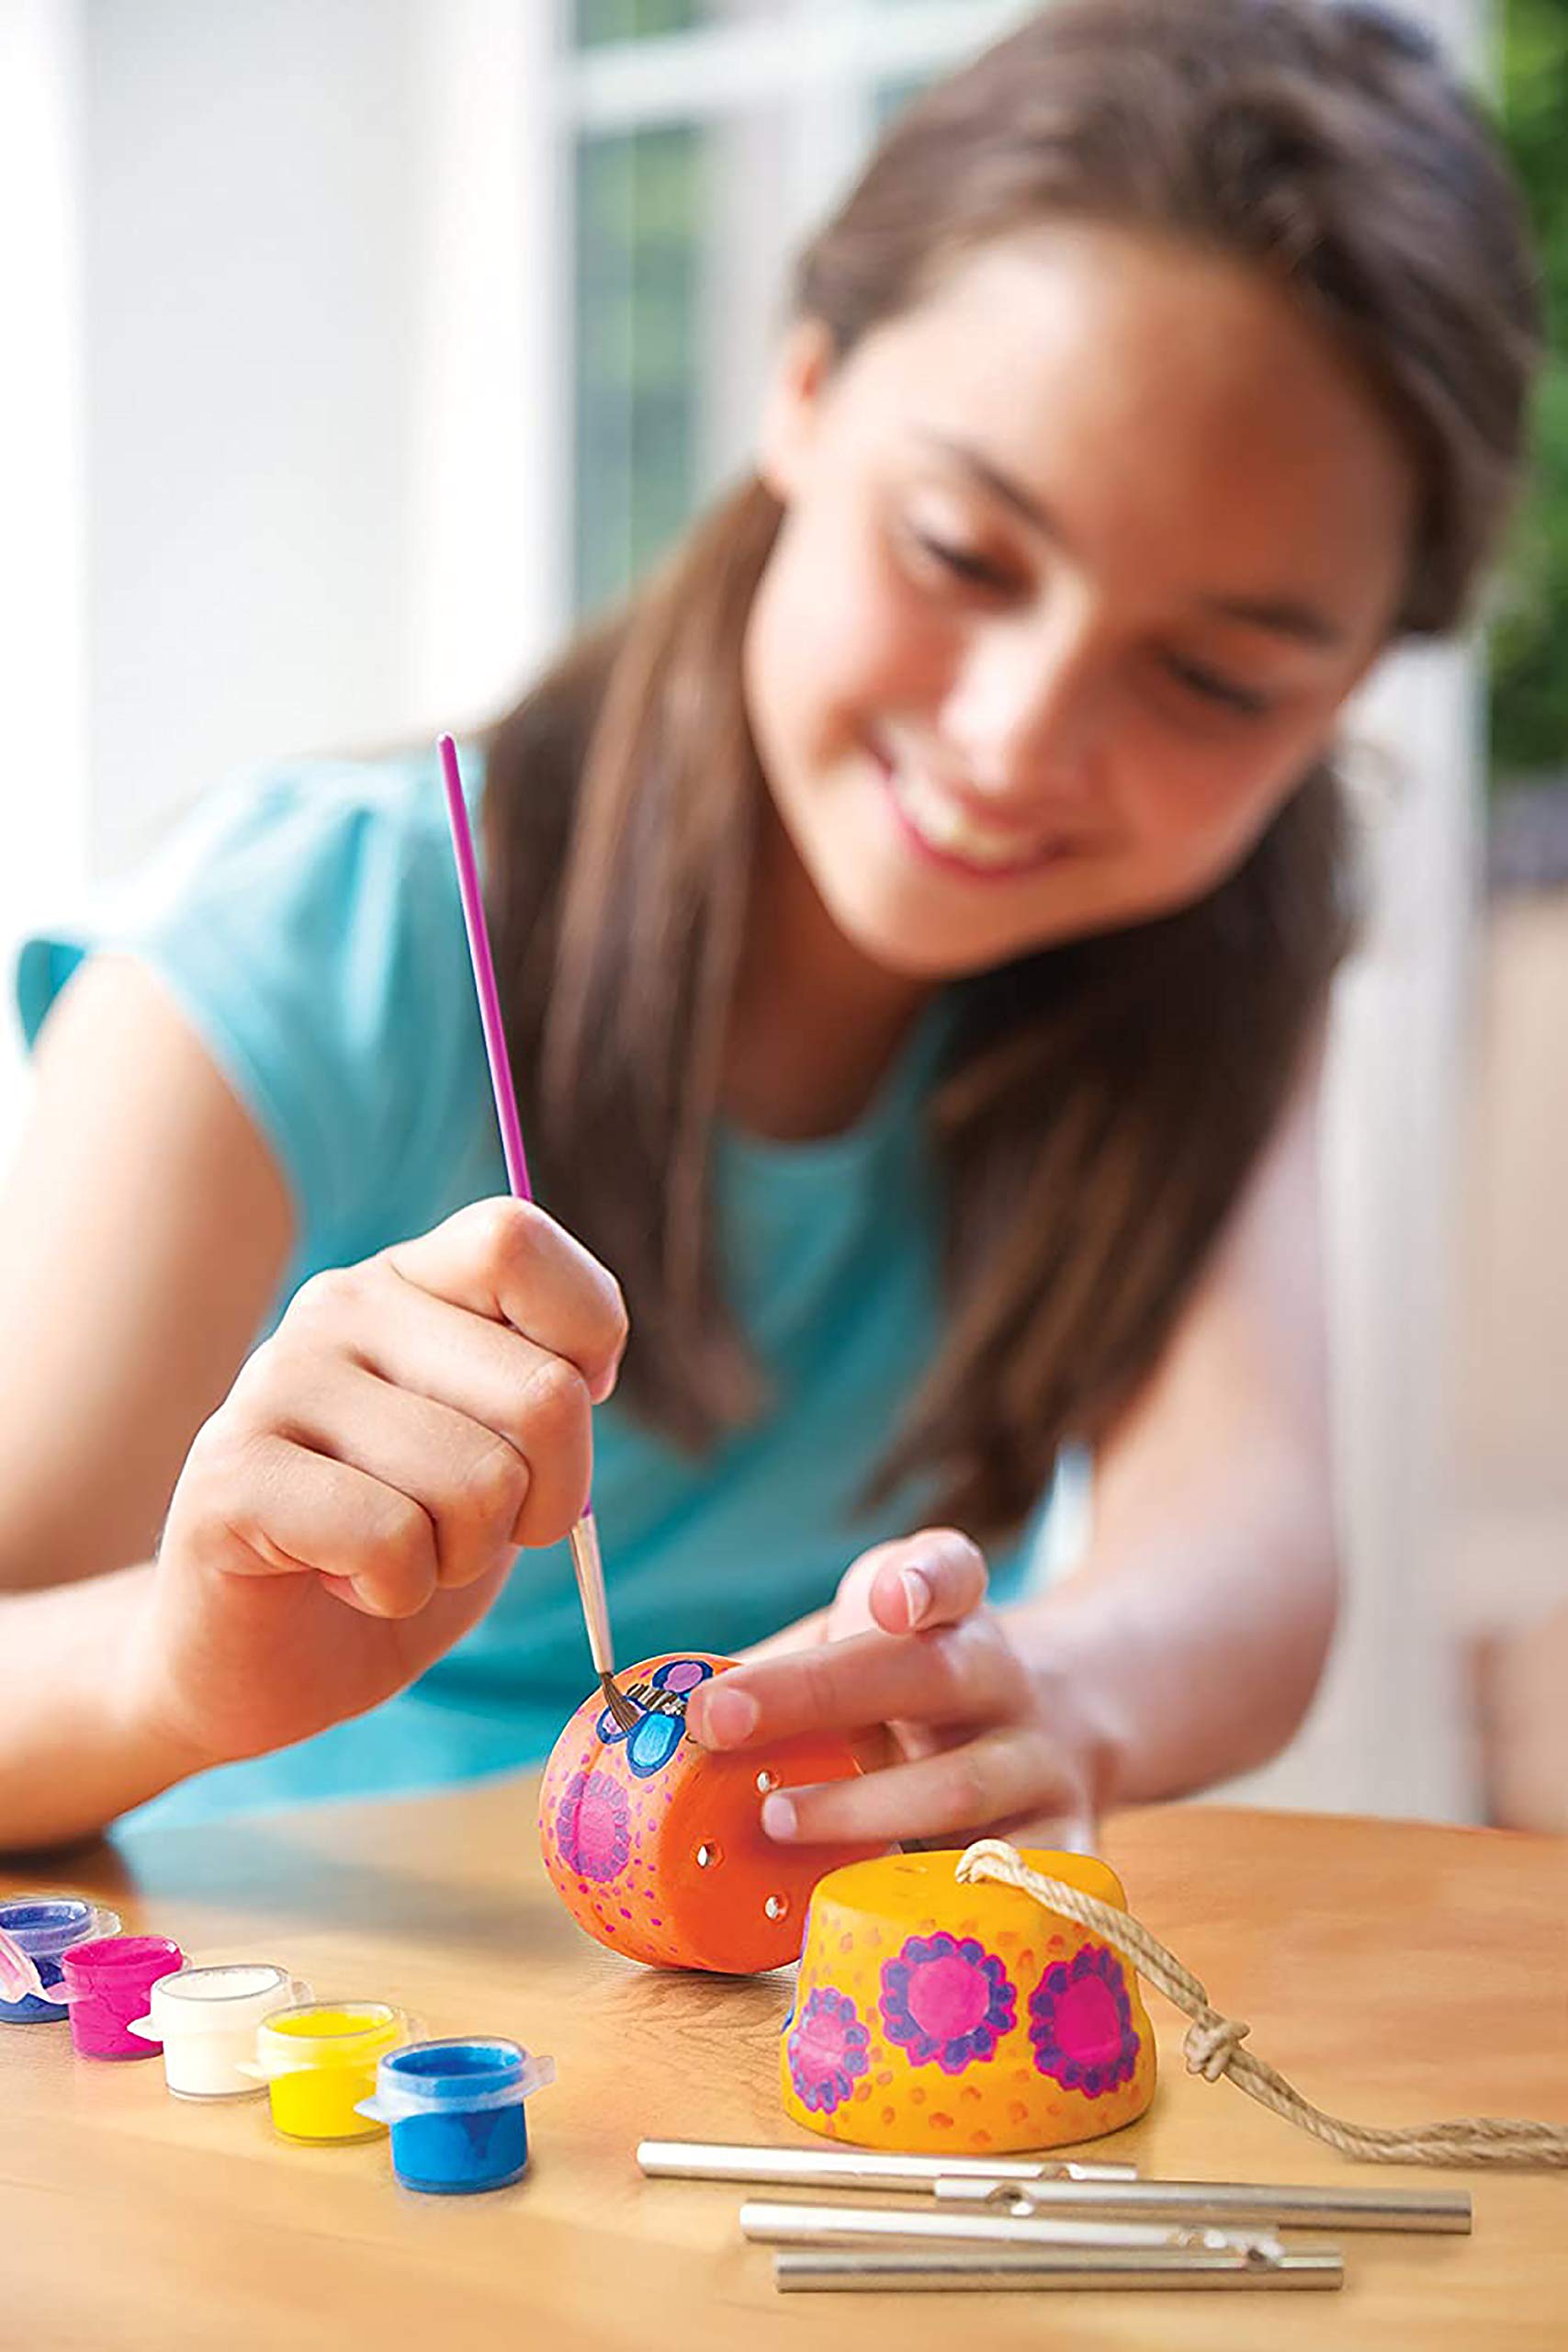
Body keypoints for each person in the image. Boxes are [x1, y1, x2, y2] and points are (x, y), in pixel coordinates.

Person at [0, 0, 1539, 1858]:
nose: (1013, 738)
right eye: (961, 554)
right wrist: (175, 1667)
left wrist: (1061, 1681)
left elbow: (1246, 1553)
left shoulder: (1211, 955)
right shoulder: (308, 933)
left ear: (1350, 688)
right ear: (799, 389)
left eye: (1210, 677)